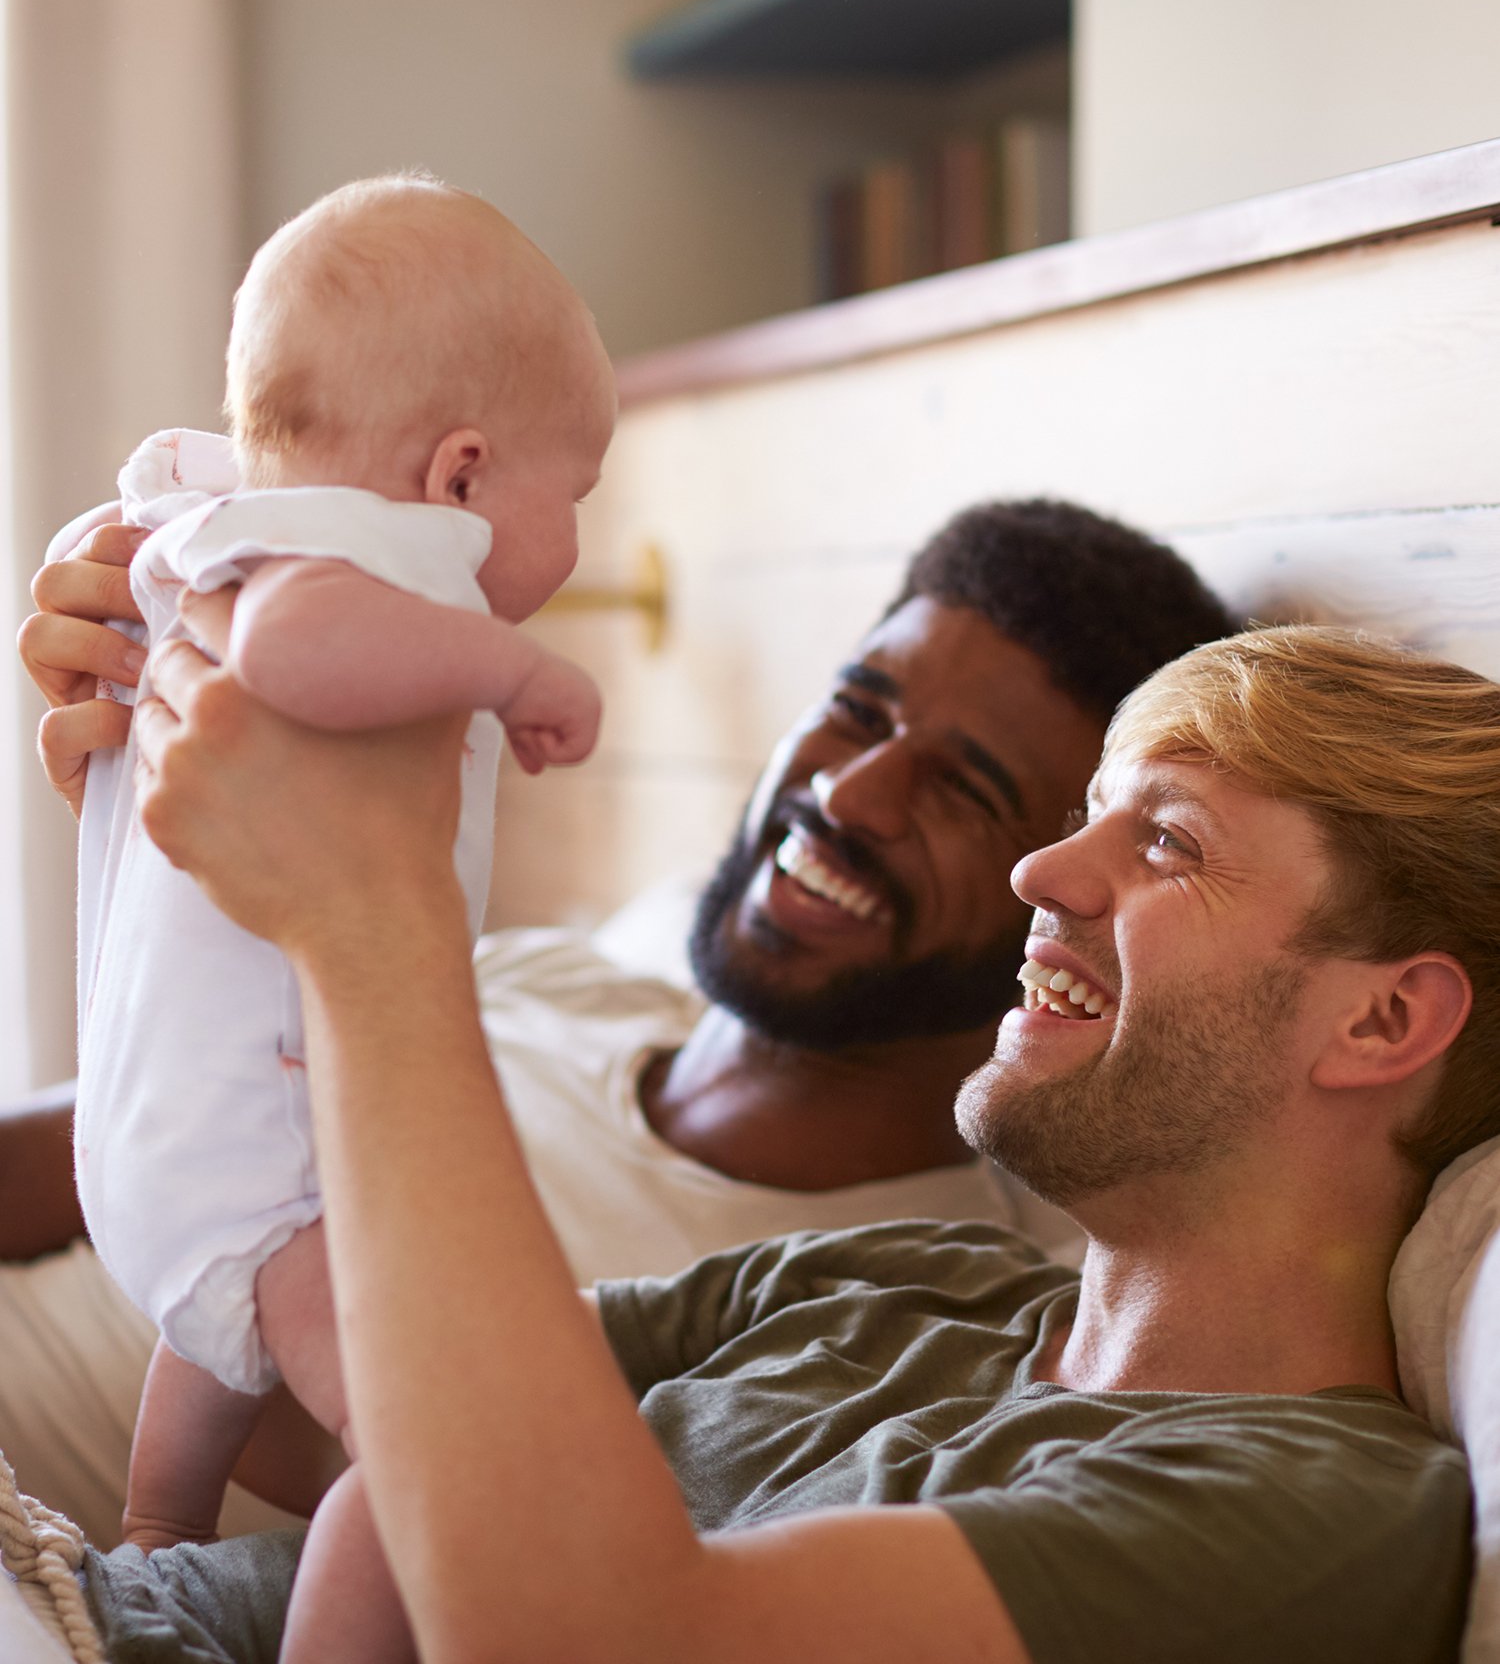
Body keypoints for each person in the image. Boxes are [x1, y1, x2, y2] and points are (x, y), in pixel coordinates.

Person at [81, 618, 1487, 1663]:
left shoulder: (1312, 1515)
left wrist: (372, 936)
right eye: (1085, 820)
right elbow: (345, 1408)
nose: (1042, 873)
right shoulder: (910, 1281)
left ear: (1383, 1021)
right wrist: (177, 773)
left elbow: (590, 1643)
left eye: (1169, 843)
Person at [9, 499, 1229, 1538]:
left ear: (1063, 895)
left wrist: (330, 902)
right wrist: (159, 872)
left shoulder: (897, 1312)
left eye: (965, 788)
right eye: (859, 709)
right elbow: (75, 1152)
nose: (850, 794)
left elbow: (426, 1522)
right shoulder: (558, 981)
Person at [74, 173, 614, 1664]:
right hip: (255, 1142)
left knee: (234, 1319)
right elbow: (303, 643)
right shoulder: (369, 559)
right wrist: (512, 672)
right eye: (576, 497)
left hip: (181, 1147)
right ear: (460, 477)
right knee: (423, 1448)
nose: (575, 544)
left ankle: (155, 1540)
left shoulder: (223, 521)